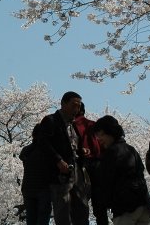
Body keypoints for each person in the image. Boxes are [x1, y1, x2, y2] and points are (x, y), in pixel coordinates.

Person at [38, 91, 89, 225]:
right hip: (60, 173)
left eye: (78, 106)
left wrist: (81, 151)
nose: (76, 109)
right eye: (73, 105)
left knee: (82, 208)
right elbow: (43, 143)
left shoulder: (73, 125)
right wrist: (58, 160)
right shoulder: (50, 120)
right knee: (62, 211)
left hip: (76, 169)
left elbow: (73, 144)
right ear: (63, 104)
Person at [93, 115, 150, 225]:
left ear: (110, 132)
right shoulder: (132, 149)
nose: (99, 139)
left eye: (101, 134)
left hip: (125, 207)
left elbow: (106, 182)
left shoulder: (111, 153)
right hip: (143, 204)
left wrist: (102, 206)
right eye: (97, 136)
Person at [74, 103, 107, 225]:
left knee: (81, 203)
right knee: (99, 204)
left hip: (81, 165)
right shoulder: (93, 125)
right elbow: (103, 145)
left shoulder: (71, 125)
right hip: (98, 164)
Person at [20, 124, 53, 225]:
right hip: (43, 188)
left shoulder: (26, 151)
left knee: (31, 218)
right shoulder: (48, 151)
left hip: (28, 188)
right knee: (43, 219)